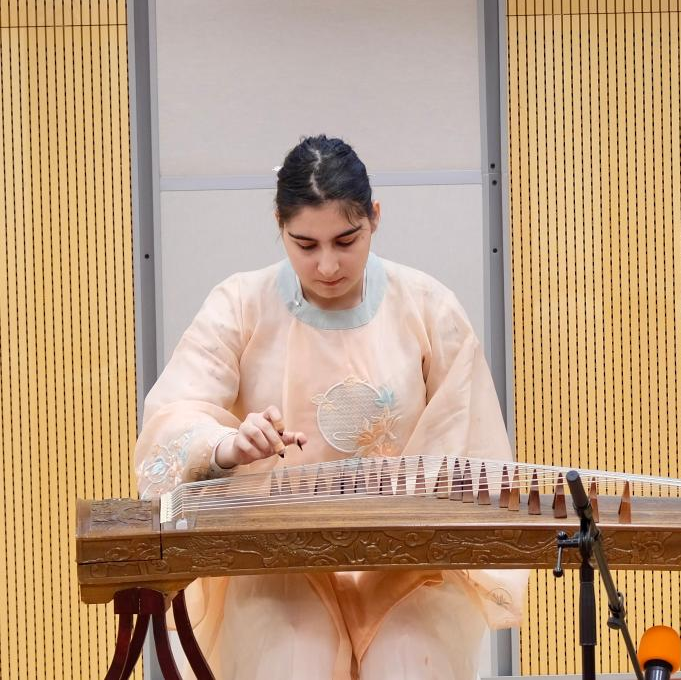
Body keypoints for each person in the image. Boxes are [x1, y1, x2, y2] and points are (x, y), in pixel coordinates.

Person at [134, 135, 528, 679]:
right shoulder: (240, 305)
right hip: (277, 555)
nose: (326, 265)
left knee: (409, 661)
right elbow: (174, 414)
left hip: (407, 558)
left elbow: (467, 442)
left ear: (375, 217)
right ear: (279, 225)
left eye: (346, 240)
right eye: (305, 244)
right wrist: (226, 447)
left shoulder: (428, 307)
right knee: (295, 659)